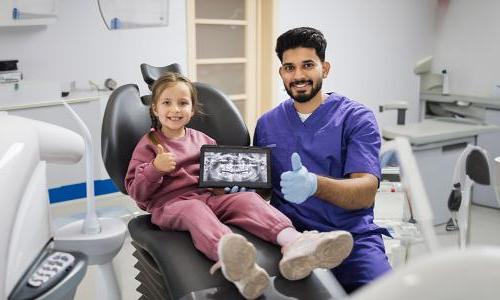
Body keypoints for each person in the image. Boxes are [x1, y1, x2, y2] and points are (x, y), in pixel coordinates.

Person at [125, 72, 354, 299]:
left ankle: (294, 243)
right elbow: (136, 191)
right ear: (155, 109)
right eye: (167, 103)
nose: (175, 109)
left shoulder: (203, 140)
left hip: (209, 197)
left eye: (183, 103)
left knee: (247, 199)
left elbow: (215, 177)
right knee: (194, 210)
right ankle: (230, 255)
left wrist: (223, 187)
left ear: (192, 109)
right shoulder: (149, 145)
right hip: (172, 205)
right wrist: (156, 168)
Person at [253, 27, 392, 293]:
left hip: (350, 238)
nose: (298, 76)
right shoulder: (268, 123)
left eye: (308, 65)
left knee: (386, 292)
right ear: (281, 73)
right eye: (289, 67)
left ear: (324, 69)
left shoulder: (356, 118)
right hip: (291, 239)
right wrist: (241, 187)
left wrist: (315, 185)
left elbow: (365, 192)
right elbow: (264, 189)